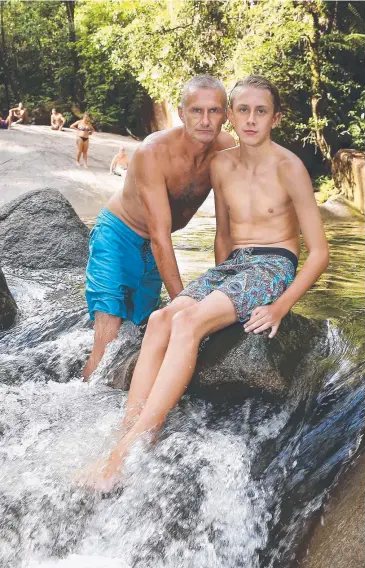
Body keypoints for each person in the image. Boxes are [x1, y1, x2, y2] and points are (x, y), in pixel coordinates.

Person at [78, 75, 329, 492]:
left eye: (261, 111)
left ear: (276, 118)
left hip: (272, 265)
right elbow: (223, 238)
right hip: (232, 265)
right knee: (161, 318)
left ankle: (133, 448)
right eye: (242, 110)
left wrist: (280, 305)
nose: (250, 120)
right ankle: (127, 431)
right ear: (233, 115)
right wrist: (215, 293)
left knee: (187, 324)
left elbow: (318, 253)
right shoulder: (221, 164)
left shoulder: (289, 167)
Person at [82, 75, 235, 381]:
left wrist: (228, 291)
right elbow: (161, 238)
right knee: (109, 335)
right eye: (196, 111)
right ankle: (79, 402)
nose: (205, 120)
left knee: (140, 331)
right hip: (119, 235)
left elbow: (225, 229)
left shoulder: (226, 148)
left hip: (154, 246)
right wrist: (185, 305)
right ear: (181, 113)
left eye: (214, 111)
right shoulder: (153, 152)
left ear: (226, 115)